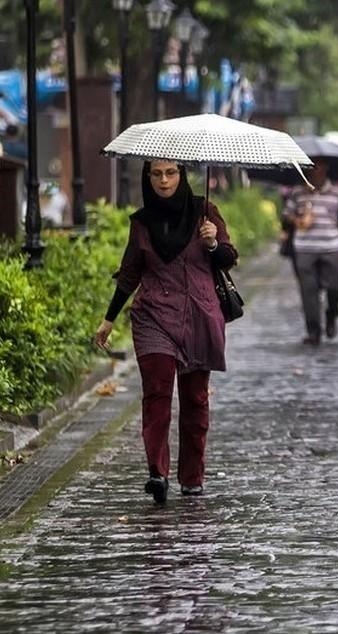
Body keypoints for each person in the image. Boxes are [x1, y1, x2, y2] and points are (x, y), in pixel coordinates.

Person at [94, 160, 238, 504]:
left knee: (195, 399)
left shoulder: (205, 212)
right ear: (148, 178)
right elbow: (130, 272)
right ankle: (157, 473)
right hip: (154, 317)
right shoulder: (142, 223)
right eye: (156, 174)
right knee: (157, 394)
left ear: (181, 175)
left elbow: (228, 258)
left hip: (199, 317)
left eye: (171, 173)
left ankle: (192, 477)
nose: (163, 180)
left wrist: (213, 243)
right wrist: (109, 319)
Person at [282, 159, 338, 345]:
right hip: (304, 247)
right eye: (312, 166)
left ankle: (332, 314)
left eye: (319, 166)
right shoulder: (298, 192)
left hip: (331, 246)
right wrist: (298, 220)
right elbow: (287, 214)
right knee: (309, 291)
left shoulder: (337, 192)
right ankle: (313, 330)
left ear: (326, 168)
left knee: (336, 287)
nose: (316, 170)